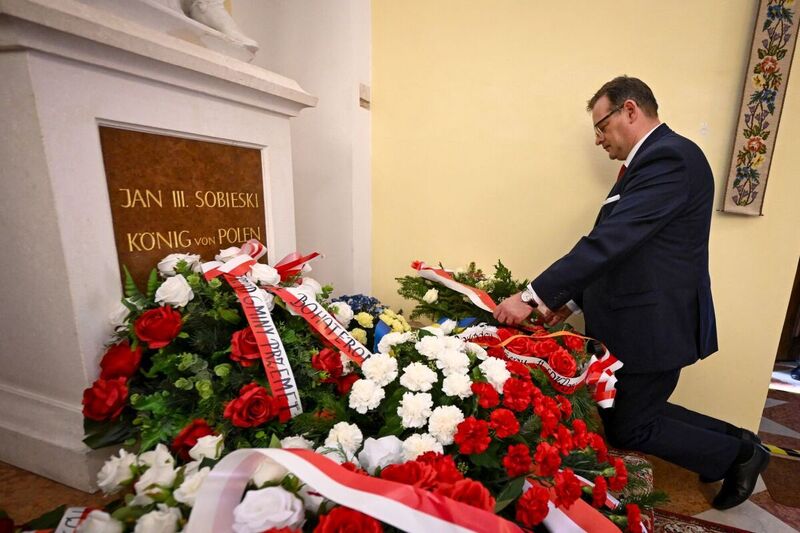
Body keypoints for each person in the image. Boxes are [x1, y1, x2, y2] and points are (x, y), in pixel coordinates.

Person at [494, 76, 769, 510]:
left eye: (601, 126)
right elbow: (619, 251)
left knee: (630, 425)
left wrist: (532, 297)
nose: (600, 140)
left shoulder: (670, 158)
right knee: (635, 412)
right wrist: (567, 303)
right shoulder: (647, 165)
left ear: (629, 110)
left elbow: (610, 241)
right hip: (639, 318)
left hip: (654, 322)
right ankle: (740, 444)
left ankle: (740, 454)